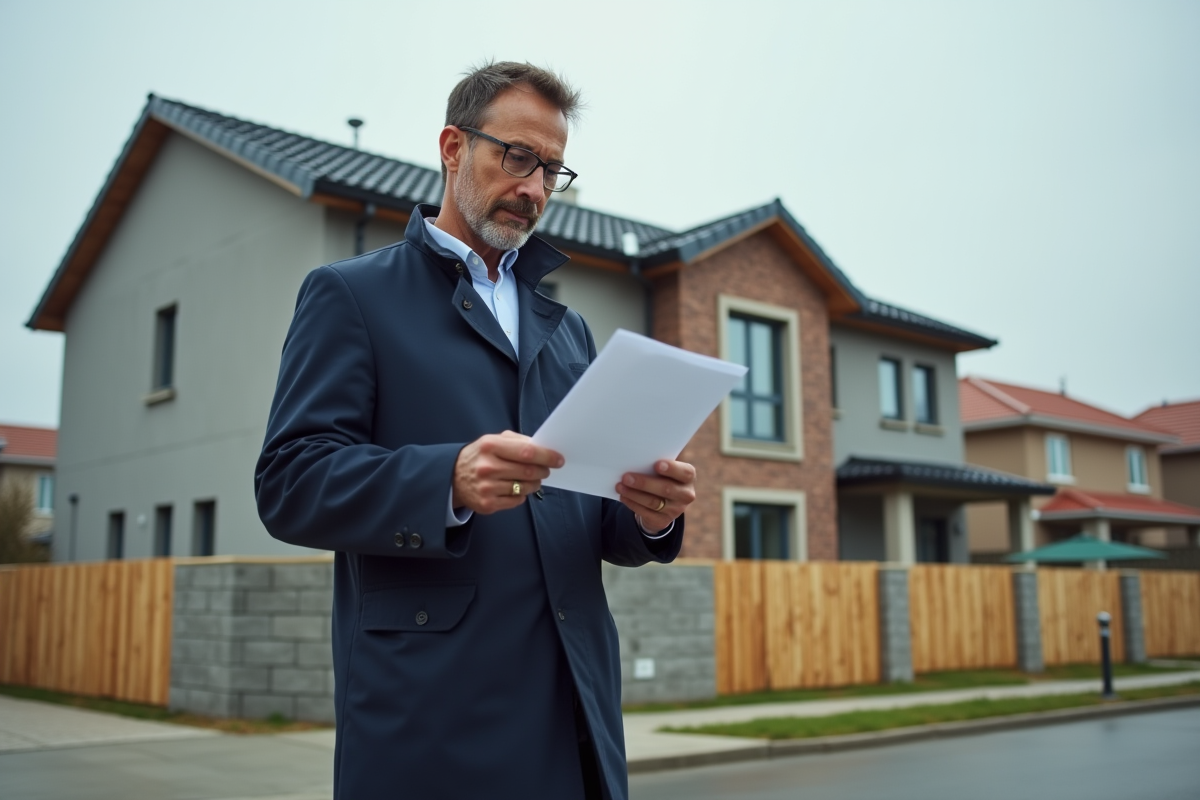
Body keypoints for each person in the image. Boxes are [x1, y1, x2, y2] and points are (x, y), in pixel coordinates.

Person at [255, 61, 695, 800]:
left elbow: (584, 514)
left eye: (551, 170)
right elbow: (290, 483)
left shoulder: (569, 330)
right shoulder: (351, 296)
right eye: (516, 157)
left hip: (576, 715)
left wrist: (648, 515)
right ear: (453, 147)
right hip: (433, 726)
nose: (534, 188)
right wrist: (446, 481)